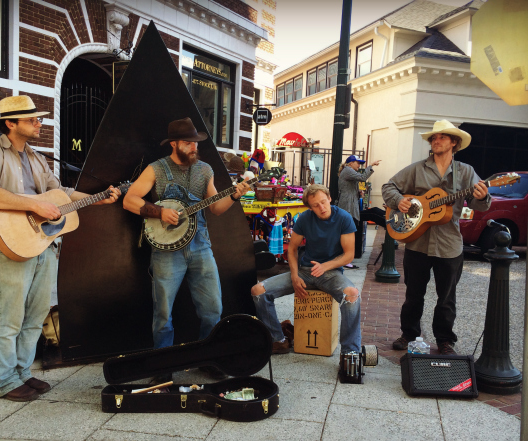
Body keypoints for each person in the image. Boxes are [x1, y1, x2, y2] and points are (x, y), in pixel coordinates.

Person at [0, 95, 120, 402]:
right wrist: (35, 205)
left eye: (38, 119)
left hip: (43, 242)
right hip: (12, 242)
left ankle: (22, 373)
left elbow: (60, 192)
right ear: (10, 123)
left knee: (36, 313)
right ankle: (4, 381)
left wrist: (97, 196)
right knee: (10, 316)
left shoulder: (37, 157)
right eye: (32, 119)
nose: (39, 123)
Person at [123, 117, 250, 383]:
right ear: (175, 144)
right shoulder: (156, 169)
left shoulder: (204, 170)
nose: (194, 147)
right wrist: (159, 211)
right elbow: (129, 200)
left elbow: (215, 207)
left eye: (195, 143)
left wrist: (235, 194)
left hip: (201, 246)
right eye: (188, 143)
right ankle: (162, 366)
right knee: (163, 312)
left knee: (212, 308)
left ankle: (208, 359)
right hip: (167, 251)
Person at [381, 120, 490, 355]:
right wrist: (398, 201)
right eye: (433, 138)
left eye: (441, 137)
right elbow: (389, 187)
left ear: (454, 142)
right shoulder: (417, 168)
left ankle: (444, 340)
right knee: (413, 295)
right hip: (417, 242)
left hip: (449, 244)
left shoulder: (466, 172)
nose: (436, 140)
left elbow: (478, 204)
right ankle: (408, 333)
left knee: (447, 298)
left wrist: (482, 196)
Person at [251, 184, 362, 373]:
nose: (321, 207)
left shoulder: (343, 218)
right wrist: (294, 275)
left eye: (323, 202)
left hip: (331, 273)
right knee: (258, 291)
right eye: (315, 205)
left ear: (329, 198)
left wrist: (325, 266)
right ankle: (278, 339)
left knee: (351, 295)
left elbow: (349, 255)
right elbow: (292, 249)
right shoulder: (304, 218)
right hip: (304, 270)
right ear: (309, 207)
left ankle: (349, 353)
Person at [337, 155, 380, 268]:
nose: (359, 165)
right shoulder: (347, 170)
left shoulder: (348, 171)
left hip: (350, 205)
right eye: (358, 163)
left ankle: (345, 258)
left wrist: (358, 193)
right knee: (347, 232)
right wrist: (370, 166)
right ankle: (344, 259)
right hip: (347, 206)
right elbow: (362, 177)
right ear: (350, 163)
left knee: (349, 231)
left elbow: (349, 188)